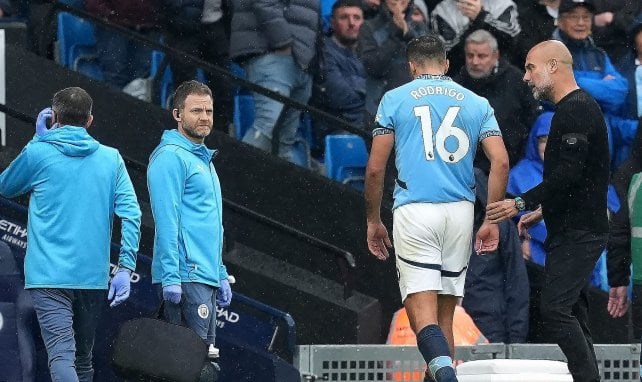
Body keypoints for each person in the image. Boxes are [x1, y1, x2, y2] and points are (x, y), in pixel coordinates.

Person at [365, 34, 509, 382]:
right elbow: (501, 162)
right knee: (446, 318)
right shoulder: (476, 102)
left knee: (420, 317)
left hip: (415, 210)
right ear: (446, 65)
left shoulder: (395, 99)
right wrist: (491, 219)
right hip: (460, 211)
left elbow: (374, 168)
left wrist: (373, 220)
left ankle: (448, 378)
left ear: (411, 66)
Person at [486, 40, 610, 382]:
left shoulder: (577, 109)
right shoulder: (570, 110)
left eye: (530, 67)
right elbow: (580, 176)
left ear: (553, 66)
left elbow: (569, 172)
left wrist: (521, 202)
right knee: (572, 311)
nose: (526, 77)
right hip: (571, 226)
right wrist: (545, 210)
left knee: (555, 310)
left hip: (580, 231)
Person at [0, 86, 142, 381]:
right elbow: (132, 214)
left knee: (62, 356)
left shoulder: (39, 153)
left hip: (48, 276)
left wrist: (37, 140)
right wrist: (126, 266)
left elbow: (5, 187)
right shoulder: (111, 158)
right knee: (82, 359)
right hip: (91, 277)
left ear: (54, 117)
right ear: (90, 120)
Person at [147, 80, 232, 370]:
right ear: (177, 114)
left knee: (204, 367)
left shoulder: (204, 160)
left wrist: (219, 272)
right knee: (188, 368)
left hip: (204, 275)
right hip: (185, 275)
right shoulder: (170, 157)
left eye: (209, 110)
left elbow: (212, 224)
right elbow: (167, 221)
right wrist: (171, 276)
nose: (205, 117)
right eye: (196, 110)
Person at [229, 0, 320, 167]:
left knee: (286, 140)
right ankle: (228, 184)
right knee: (266, 127)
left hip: (302, 61)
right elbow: (264, 3)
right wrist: (283, 42)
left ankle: (278, 191)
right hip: (275, 53)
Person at [454, 29, 539, 173]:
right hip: (467, 167)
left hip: (512, 166)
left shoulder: (517, 81)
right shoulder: (457, 85)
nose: (475, 62)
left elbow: (532, 120)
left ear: (495, 56)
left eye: (482, 56)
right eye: (470, 56)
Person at [463, 168, 529, 344]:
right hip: (451, 322)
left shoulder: (501, 227)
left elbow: (517, 283)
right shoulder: (437, 224)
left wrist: (516, 342)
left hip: (490, 327)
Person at [161, 0, 234, 134]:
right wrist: (177, 17)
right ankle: (184, 139)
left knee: (222, 87)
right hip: (183, 27)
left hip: (216, 24)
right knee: (186, 88)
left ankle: (220, 139)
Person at [312, 0, 367, 149]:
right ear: (332, 22)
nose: (351, 23)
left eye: (357, 18)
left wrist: (355, 84)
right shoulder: (323, 51)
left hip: (366, 125)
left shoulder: (369, 53)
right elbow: (339, 96)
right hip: (337, 129)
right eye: (344, 17)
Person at [358, 0, 427, 116]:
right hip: (379, 109)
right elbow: (374, 68)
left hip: (416, 107)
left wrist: (408, 34)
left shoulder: (420, 28)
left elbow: (428, 65)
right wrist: (396, 34)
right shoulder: (368, 27)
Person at [430, 0, 521, 76]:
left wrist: (481, 16)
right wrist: (476, 22)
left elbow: (511, 43)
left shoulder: (502, 4)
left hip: (501, 74)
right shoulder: (442, 10)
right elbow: (448, 55)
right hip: (460, 77)